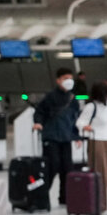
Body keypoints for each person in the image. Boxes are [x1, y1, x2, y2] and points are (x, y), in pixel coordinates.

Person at [33, 68, 79, 207]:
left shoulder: (72, 99)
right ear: (58, 80)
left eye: (70, 78)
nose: (68, 81)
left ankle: (64, 198)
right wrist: (38, 123)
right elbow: (39, 111)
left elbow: (74, 119)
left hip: (65, 137)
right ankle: (41, 196)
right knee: (51, 167)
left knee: (67, 168)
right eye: (65, 78)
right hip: (51, 137)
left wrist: (76, 136)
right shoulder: (50, 97)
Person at [76, 80, 107, 210]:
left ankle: (99, 202)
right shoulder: (91, 107)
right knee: (100, 173)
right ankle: (100, 204)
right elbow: (80, 122)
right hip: (96, 140)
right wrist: (85, 127)